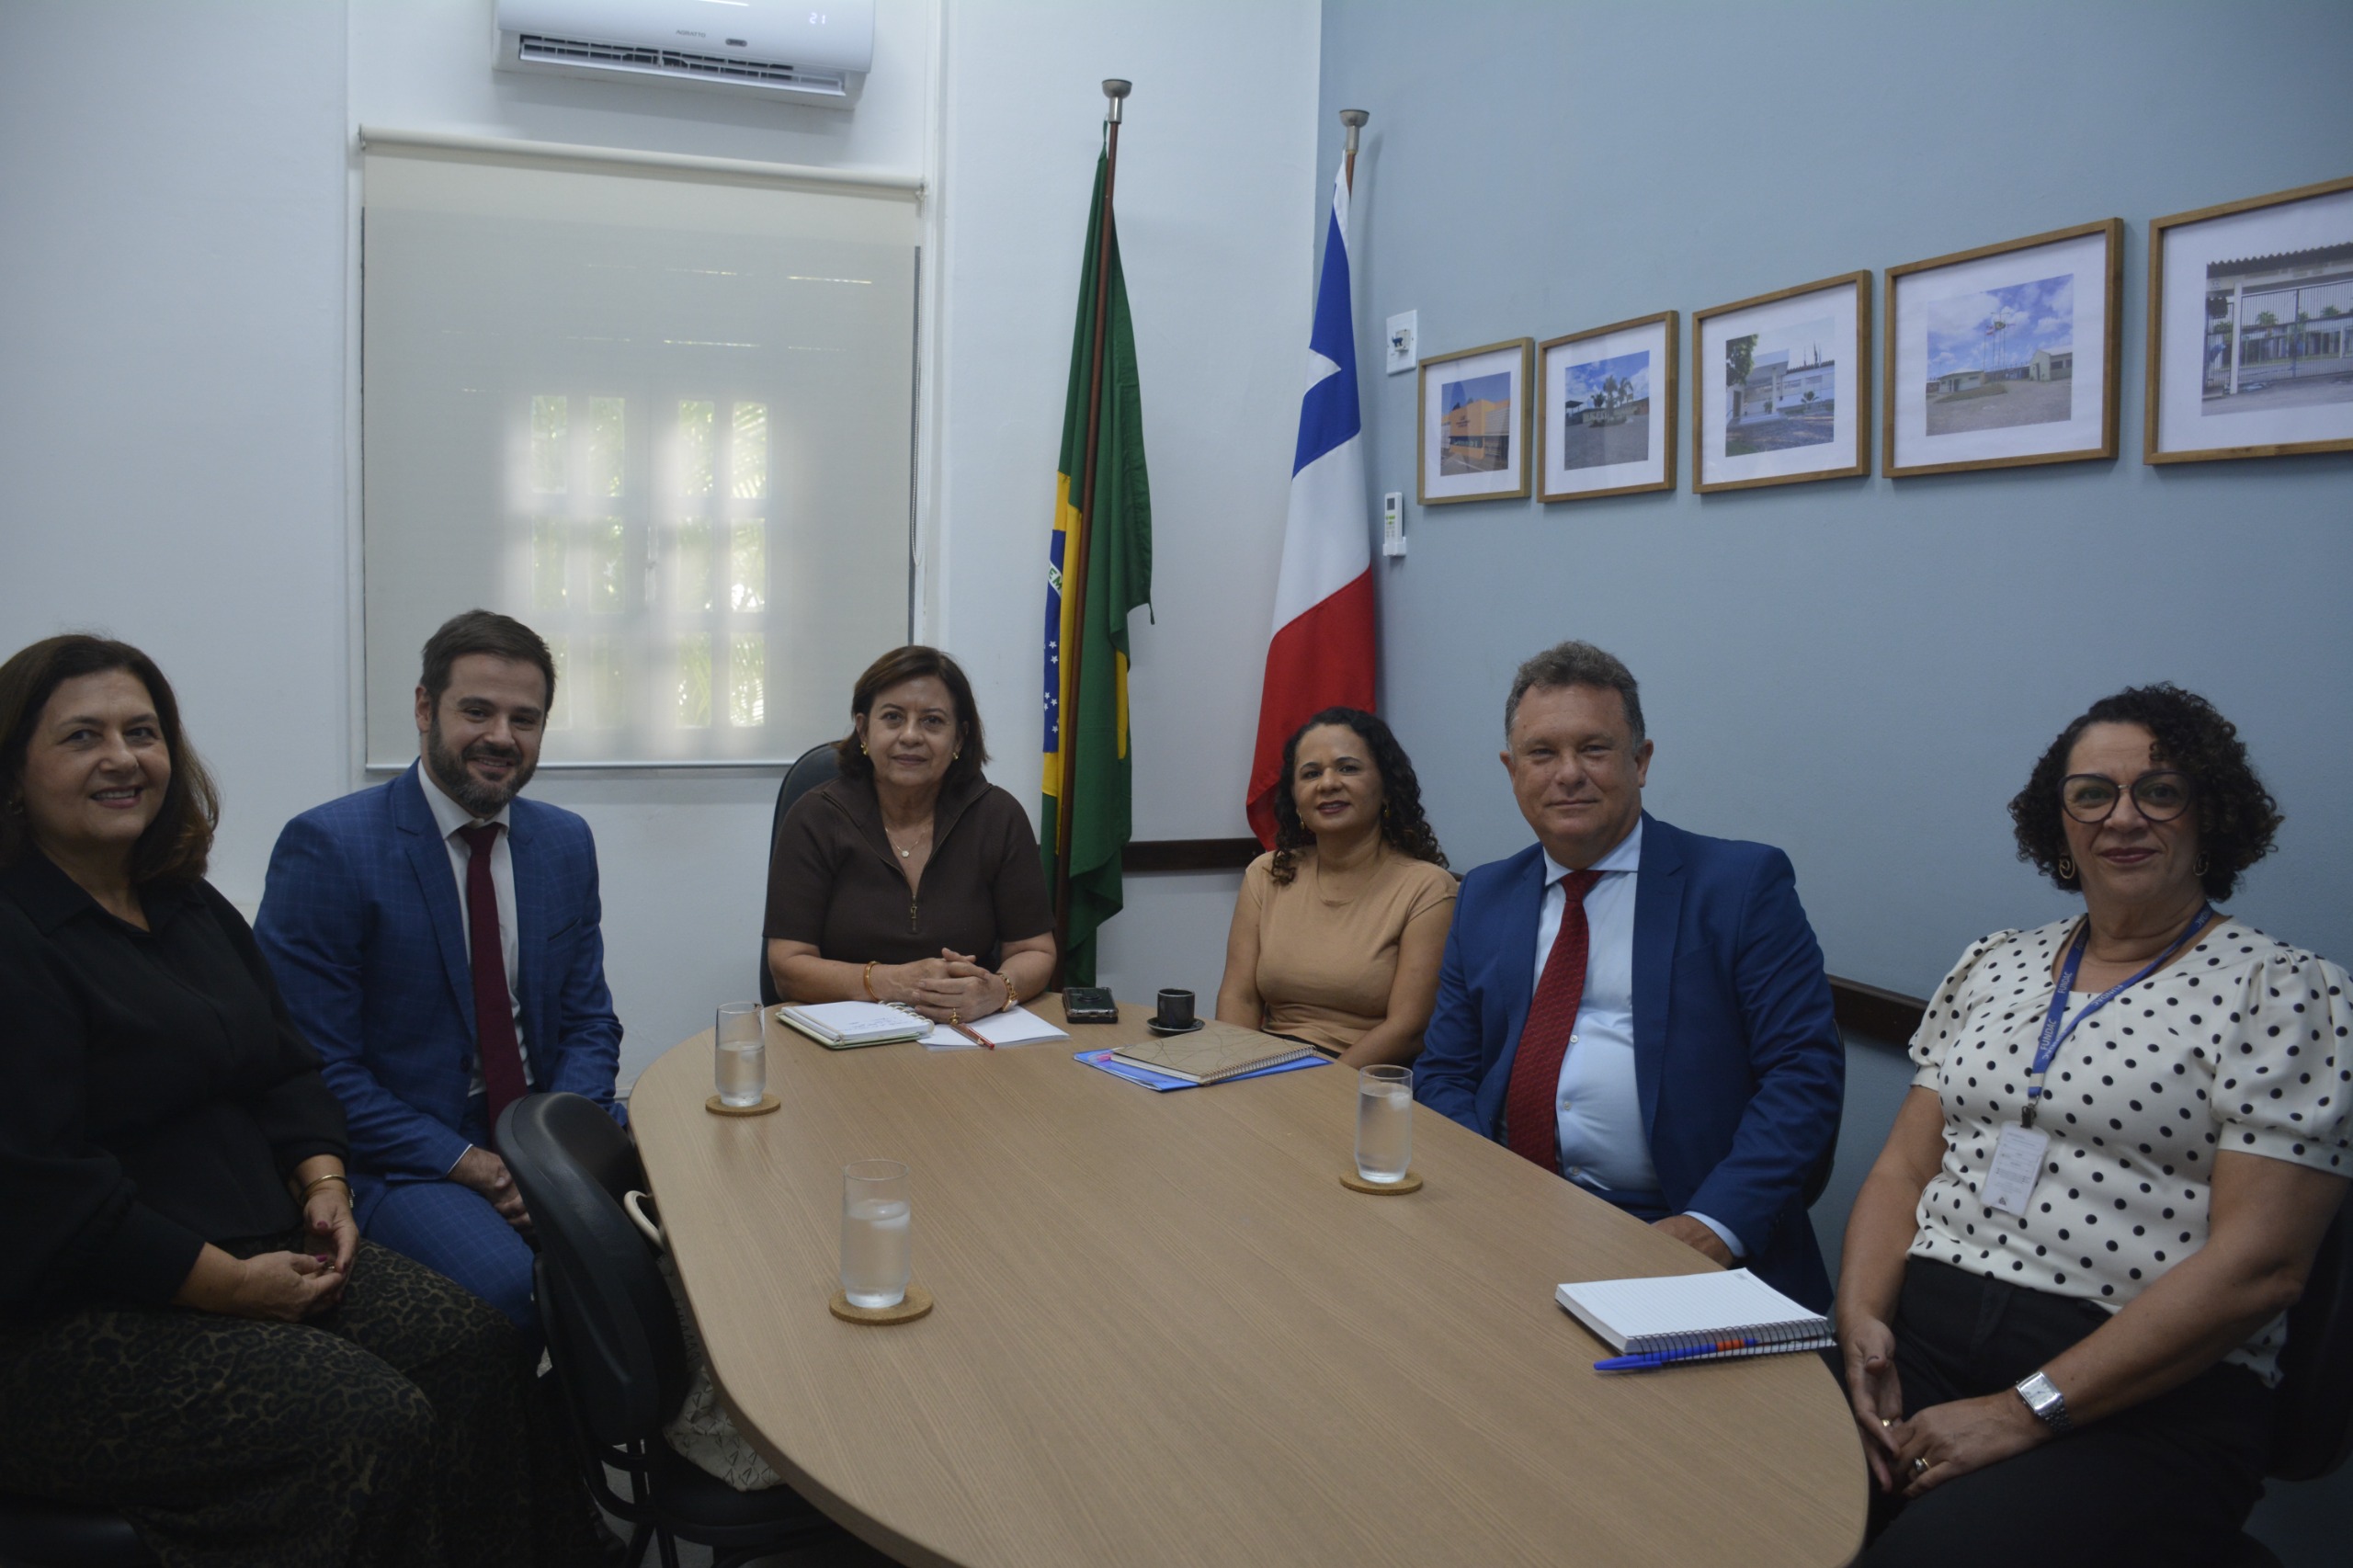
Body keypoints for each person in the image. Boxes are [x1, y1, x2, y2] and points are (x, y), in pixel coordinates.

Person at [0, 634, 597, 1567]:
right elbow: (45, 1194)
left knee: (472, 1346)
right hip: (82, 1307)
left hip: (260, 1237)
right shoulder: (17, 936)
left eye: (142, 732)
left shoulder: (185, 905)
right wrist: (228, 1284)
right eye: (83, 736)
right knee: (370, 1417)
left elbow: (287, 1068)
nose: (122, 757)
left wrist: (324, 1183)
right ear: (14, 769)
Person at [1838, 685, 2348, 1565]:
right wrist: (1859, 1323)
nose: (2123, 817)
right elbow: (1901, 1172)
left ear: (2211, 813)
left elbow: (2261, 1268)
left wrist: (2022, 1410)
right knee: (1740, 1467)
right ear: (2060, 821)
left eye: (2160, 791)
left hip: (2144, 1400)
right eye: (2092, 794)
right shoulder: (1995, 963)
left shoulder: (2285, 992)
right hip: (1922, 1343)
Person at [1414, 641, 1845, 1308]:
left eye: (1594, 749)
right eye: (1542, 753)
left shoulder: (1739, 886)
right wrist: (1489, 1194)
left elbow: (1803, 1073)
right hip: (1510, 1214)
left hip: (1677, 1225)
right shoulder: (1484, 896)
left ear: (1640, 762)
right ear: (1512, 769)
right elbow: (1445, 1070)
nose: (1568, 774)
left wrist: (1713, 1225)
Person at [255, 610, 623, 1337]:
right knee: (520, 1290)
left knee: (694, 1226)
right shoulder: (330, 848)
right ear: (425, 708)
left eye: (525, 719)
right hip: (407, 1150)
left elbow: (589, 1022)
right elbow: (316, 1070)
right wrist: (479, 1167)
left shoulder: (564, 842)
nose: (501, 737)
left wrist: (553, 1150)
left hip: (535, 1121)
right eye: (477, 711)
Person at [767, 645, 1054, 1020]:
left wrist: (996, 991)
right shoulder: (816, 818)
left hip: (966, 1031)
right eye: (893, 718)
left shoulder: (997, 817)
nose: (911, 735)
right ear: (863, 729)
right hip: (842, 1033)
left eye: (932, 721)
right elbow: (787, 966)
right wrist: (893, 981)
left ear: (960, 738)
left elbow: (1035, 950)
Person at [1215, 707, 1456, 1066]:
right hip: (1264, 1066)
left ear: (1386, 788)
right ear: (1296, 797)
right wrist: (1236, 1072)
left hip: (1359, 1078)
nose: (1327, 784)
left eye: (1348, 768)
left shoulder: (1428, 888)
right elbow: (1240, 998)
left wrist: (1320, 1085)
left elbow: (1408, 1029)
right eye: (1311, 773)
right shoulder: (1266, 874)